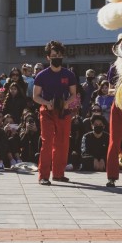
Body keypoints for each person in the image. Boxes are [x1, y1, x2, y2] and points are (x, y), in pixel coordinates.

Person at [33, 41, 78, 185]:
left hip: (64, 112)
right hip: (47, 112)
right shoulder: (42, 75)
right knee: (47, 143)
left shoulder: (69, 74)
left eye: (59, 55)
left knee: (63, 143)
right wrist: (47, 103)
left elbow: (73, 94)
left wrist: (65, 103)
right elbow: (35, 96)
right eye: (53, 55)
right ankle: (43, 176)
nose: (56, 57)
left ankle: (58, 174)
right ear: (48, 57)